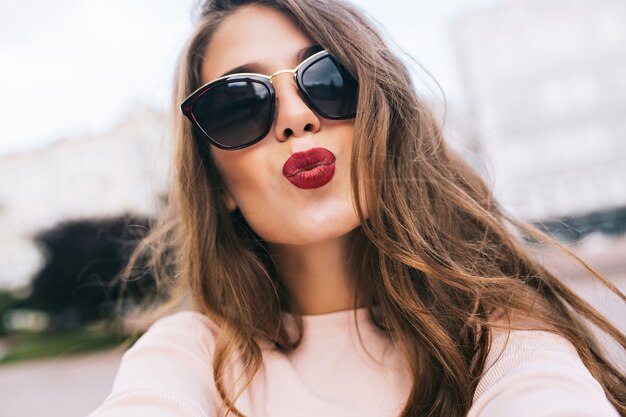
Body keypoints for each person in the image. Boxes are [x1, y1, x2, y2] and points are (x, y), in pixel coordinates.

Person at [88, 0, 625, 416]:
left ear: (384, 119)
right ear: (217, 183)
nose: (296, 118)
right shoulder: (189, 358)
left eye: (330, 79)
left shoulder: (501, 337)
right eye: (238, 104)